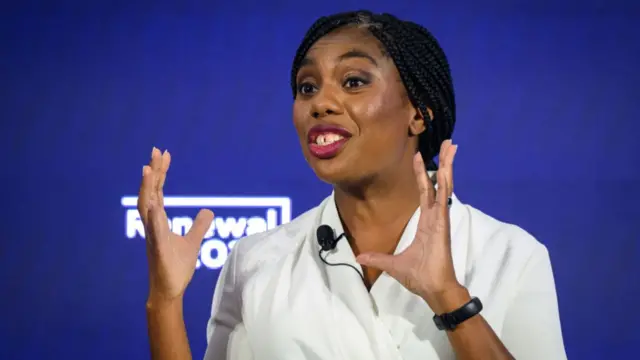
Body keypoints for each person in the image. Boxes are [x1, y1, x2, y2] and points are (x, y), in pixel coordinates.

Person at [139, 10, 567, 360]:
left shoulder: (511, 255)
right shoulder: (255, 261)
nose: (320, 103)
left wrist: (447, 296)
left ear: (418, 113)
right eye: (307, 87)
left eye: (354, 82)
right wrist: (164, 302)